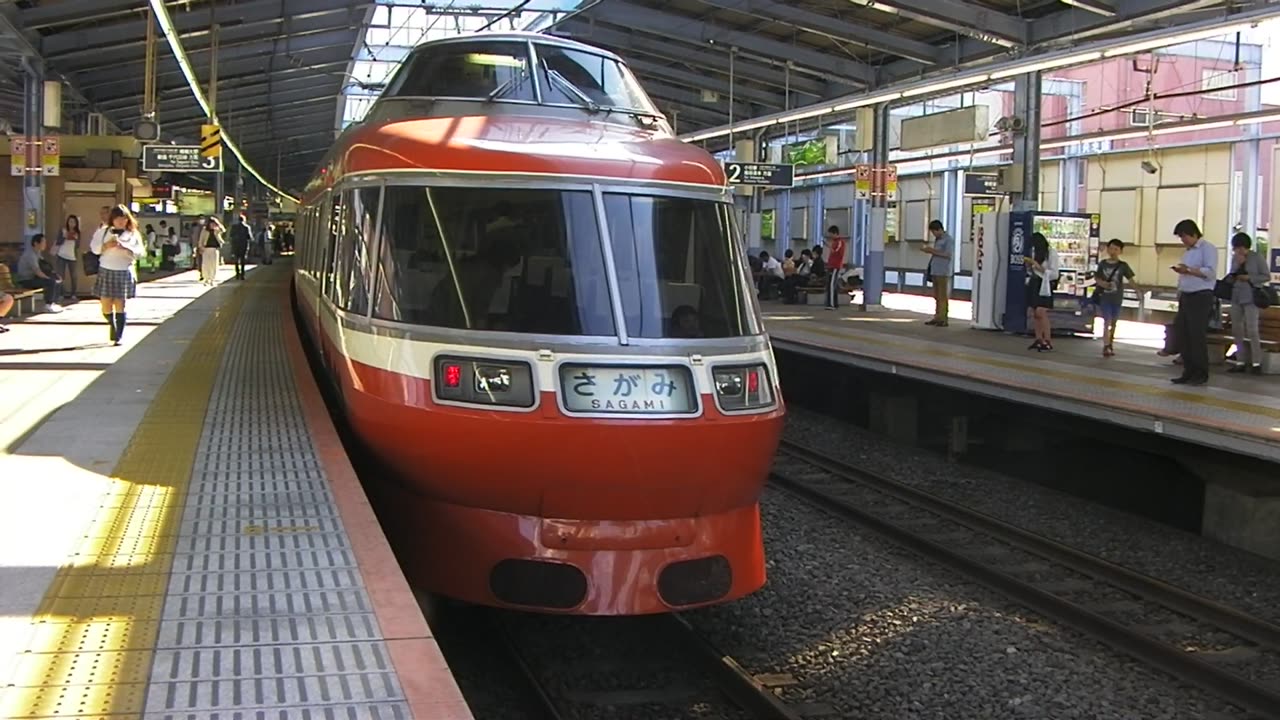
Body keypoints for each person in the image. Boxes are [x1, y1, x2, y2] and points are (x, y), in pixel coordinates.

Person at [1169, 219, 1217, 386]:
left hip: (1201, 296)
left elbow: (1210, 273)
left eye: (1184, 236)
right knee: (1183, 334)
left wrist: (1188, 270)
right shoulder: (1188, 252)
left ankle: (1201, 372)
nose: (1182, 240)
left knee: (1197, 336)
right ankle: (1187, 371)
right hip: (1186, 295)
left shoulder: (1207, 249)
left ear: (1193, 234)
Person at [89, 205, 145, 345]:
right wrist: (106, 246)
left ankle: (118, 335)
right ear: (112, 219)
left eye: (124, 218)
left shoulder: (133, 234)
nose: (121, 221)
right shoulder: (103, 232)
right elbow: (94, 249)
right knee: (106, 305)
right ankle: (112, 325)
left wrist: (127, 248)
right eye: (118, 218)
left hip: (124, 270)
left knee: (120, 304)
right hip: (106, 269)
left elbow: (141, 253)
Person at [1226, 231, 1270, 375]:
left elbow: (1266, 276)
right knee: (1237, 329)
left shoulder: (1256, 258)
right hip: (1236, 296)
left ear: (1246, 247)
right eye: (1236, 248)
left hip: (1251, 297)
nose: (1238, 251)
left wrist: (1249, 277)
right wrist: (1236, 268)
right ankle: (1240, 361)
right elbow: (1231, 276)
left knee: (1252, 329)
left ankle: (1256, 362)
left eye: (1241, 248)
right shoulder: (1235, 259)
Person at [1093, 239, 1137, 358]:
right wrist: (1103, 284)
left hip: (1117, 298)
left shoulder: (1123, 266)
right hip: (1105, 297)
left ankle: (1110, 343)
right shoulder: (1102, 264)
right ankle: (1106, 345)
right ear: (1107, 249)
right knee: (1106, 321)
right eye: (1111, 248)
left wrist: (1137, 291)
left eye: (1116, 249)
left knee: (1114, 322)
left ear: (1120, 251)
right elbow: (1097, 278)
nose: (1113, 251)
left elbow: (1130, 279)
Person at [1024, 232, 1058, 352]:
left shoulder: (1051, 253)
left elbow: (1054, 274)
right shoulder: (1034, 253)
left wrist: (1037, 266)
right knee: (1035, 313)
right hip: (1034, 283)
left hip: (1044, 284)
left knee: (1041, 311)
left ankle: (1047, 339)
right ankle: (1038, 339)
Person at [17, 233, 64, 313]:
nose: (45, 245)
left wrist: (54, 275)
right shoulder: (30, 254)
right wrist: (49, 278)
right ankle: (48, 305)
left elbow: (45, 266)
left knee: (55, 280)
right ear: (36, 243)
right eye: (43, 242)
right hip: (26, 280)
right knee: (51, 282)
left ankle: (53, 303)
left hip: (33, 278)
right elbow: (37, 271)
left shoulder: (37, 253)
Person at [922, 219, 953, 326]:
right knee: (936, 296)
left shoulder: (948, 240)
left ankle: (943, 318)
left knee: (942, 296)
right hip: (935, 270)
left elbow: (948, 254)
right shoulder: (938, 240)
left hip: (943, 271)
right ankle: (937, 316)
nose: (933, 234)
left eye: (934, 232)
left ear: (939, 229)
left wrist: (932, 251)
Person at [55, 215, 81, 300]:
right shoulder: (63, 230)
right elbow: (58, 242)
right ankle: (61, 293)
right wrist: (64, 237)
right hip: (61, 255)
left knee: (73, 276)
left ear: (76, 223)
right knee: (61, 275)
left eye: (73, 222)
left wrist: (75, 238)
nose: (71, 224)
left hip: (72, 256)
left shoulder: (78, 232)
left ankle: (73, 293)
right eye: (70, 221)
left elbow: (77, 246)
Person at [824, 225, 849, 310]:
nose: (830, 236)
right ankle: (833, 303)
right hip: (831, 265)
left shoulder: (840, 242)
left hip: (835, 266)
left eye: (831, 234)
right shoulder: (835, 242)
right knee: (830, 285)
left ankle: (832, 304)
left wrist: (829, 247)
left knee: (832, 285)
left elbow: (836, 252)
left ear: (835, 233)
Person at [199, 218, 225, 286]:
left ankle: (212, 279)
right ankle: (206, 279)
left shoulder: (217, 230)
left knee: (214, 265)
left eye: (214, 224)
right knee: (206, 264)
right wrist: (200, 247)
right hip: (206, 249)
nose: (212, 225)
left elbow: (223, 230)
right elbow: (201, 239)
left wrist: (218, 224)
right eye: (211, 223)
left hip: (214, 249)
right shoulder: (205, 230)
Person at [229, 214, 251, 280]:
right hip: (243, 245)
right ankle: (242, 275)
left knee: (236, 260)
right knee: (243, 260)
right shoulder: (246, 227)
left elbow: (231, 235)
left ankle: (237, 273)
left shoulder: (234, 227)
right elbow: (249, 237)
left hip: (235, 245)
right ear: (244, 220)